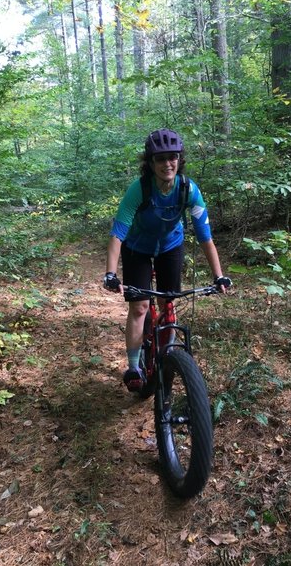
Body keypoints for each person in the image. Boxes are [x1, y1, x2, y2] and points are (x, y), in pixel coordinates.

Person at [103, 128, 230, 392]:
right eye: (160, 159)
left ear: (179, 159)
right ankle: (134, 366)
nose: (167, 163)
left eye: (172, 157)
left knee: (167, 302)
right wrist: (110, 273)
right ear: (150, 163)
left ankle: (168, 356)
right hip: (137, 248)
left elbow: (205, 237)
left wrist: (218, 276)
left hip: (170, 247)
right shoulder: (139, 190)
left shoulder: (188, 190)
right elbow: (118, 234)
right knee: (139, 307)